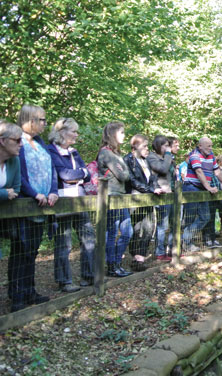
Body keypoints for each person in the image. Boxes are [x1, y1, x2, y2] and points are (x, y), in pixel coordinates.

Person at [14, 105, 57, 311]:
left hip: (42, 206)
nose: (44, 124)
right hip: (24, 204)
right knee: (20, 251)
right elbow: (17, 174)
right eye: (41, 120)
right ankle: (17, 296)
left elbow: (52, 169)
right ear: (30, 120)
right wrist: (33, 193)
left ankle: (29, 291)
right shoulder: (17, 141)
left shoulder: (40, 142)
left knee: (32, 251)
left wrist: (53, 190)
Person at [47, 118, 95, 290]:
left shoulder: (74, 152)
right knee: (64, 242)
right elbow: (64, 174)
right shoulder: (51, 151)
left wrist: (79, 174)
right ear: (61, 132)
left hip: (79, 200)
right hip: (62, 202)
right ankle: (64, 281)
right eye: (73, 131)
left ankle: (89, 276)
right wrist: (80, 173)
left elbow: (88, 174)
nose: (76, 134)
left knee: (89, 238)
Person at [97, 121, 133, 277]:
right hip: (111, 196)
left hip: (120, 196)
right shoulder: (106, 153)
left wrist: (123, 170)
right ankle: (111, 266)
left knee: (127, 231)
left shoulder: (117, 154)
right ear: (113, 134)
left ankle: (116, 262)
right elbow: (123, 175)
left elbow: (126, 173)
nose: (124, 135)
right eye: (122, 132)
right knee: (112, 232)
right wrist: (123, 170)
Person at [124, 134, 163, 270]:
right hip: (135, 199)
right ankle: (136, 257)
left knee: (149, 228)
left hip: (148, 198)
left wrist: (156, 188)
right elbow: (131, 180)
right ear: (135, 146)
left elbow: (152, 178)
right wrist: (149, 190)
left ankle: (141, 257)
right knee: (136, 228)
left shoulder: (146, 161)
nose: (147, 149)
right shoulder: (128, 160)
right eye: (144, 146)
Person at [181, 136, 222, 251]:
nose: (210, 148)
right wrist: (209, 187)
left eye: (211, 146)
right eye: (208, 146)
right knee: (190, 217)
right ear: (200, 146)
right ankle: (186, 243)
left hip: (202, 189)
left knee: (205, 217)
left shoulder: (211, 156)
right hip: (191, 188)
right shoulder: (194, 155)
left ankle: (184, 238)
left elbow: (217, 172)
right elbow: (199, 172)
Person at [0, 121, 24, 311]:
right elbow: (7, 193)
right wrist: (2, 194)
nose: (20, 144)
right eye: (17, 140)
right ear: (3, 141)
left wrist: (6, 193)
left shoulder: (14, 161)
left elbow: (15, 189)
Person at [147, 135, 174, 261]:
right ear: (158, 146)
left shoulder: (166, 158)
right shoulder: (152, 157)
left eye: (168, 146)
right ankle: (159, 252)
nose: (168, 148)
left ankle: (172, 250)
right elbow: (162, 169)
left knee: (173, 223)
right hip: (161, 195)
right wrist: (168, 155)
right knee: (162, 225)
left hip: (171, 194)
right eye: (165, 145)